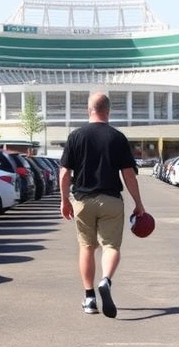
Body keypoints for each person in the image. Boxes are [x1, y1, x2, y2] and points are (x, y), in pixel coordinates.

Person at [59, 92, 146, 318]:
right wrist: (139, 203)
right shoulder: (117, 137)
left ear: (89, 109)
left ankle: (89, 298)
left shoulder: (75, 136)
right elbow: (128, 175)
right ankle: (105, 280)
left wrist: (64, 200)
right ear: (108, 110)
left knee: (86, 247)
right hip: (111, 201)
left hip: (83, 200)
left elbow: (64, 173)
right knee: (111, 247)